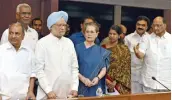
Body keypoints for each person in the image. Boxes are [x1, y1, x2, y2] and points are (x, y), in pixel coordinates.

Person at [35, 11, 79, 99]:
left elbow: (74, 68)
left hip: (67, 93)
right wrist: (48, 90)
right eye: (59, 25)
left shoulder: (69, 43)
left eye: (64, 25)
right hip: (47, 94)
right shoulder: (42, 43)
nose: (62, 28)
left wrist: (74, 87)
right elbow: (39, 70)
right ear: (51, 27)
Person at [134, 16, 171, 93]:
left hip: (167, 83)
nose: (155, 28)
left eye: (158, 25)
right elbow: (141, 54)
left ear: (165, 25)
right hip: (149, 82)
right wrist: (137, 52)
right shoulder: (146, 38)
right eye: (154, 25)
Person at [0, 23, 36, 100]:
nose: (13, 36)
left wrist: (30, 91)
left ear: (23, 36)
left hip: (23, 97)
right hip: (4, 97)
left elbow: (32, 74)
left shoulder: (29, 52)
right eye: (11, 33)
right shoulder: (1, 50)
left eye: (17, 34)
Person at [75, 22, 111, 97]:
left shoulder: (101, 51)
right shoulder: (77, 48)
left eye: (92, 32)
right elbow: (72, 68)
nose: (89, 34)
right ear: (84, 33)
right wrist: (83, 79)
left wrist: (98, 78)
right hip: (80, 85)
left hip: (96, 86)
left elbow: (103, 68)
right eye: (87, 32)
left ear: (97, 34)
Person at [102, 25, 131, 94]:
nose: (112, 36)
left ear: (119, 36)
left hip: (119, 83)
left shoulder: (124, 49)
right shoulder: (102, 48)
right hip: (104, 80)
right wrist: (106, 79)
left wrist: (115, 81)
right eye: (110, 34)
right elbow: (99, 66)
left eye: (114, 34)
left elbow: (126, 68)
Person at [124, 16, 150, 94]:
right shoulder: (128, 38)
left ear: (147, 27)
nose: (140, 27)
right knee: (133, 96)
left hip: (147, 74)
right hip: (133, 73)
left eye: (143, 25)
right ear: (135, 25)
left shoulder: (150, 39)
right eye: (138, 24)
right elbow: (125, 57)